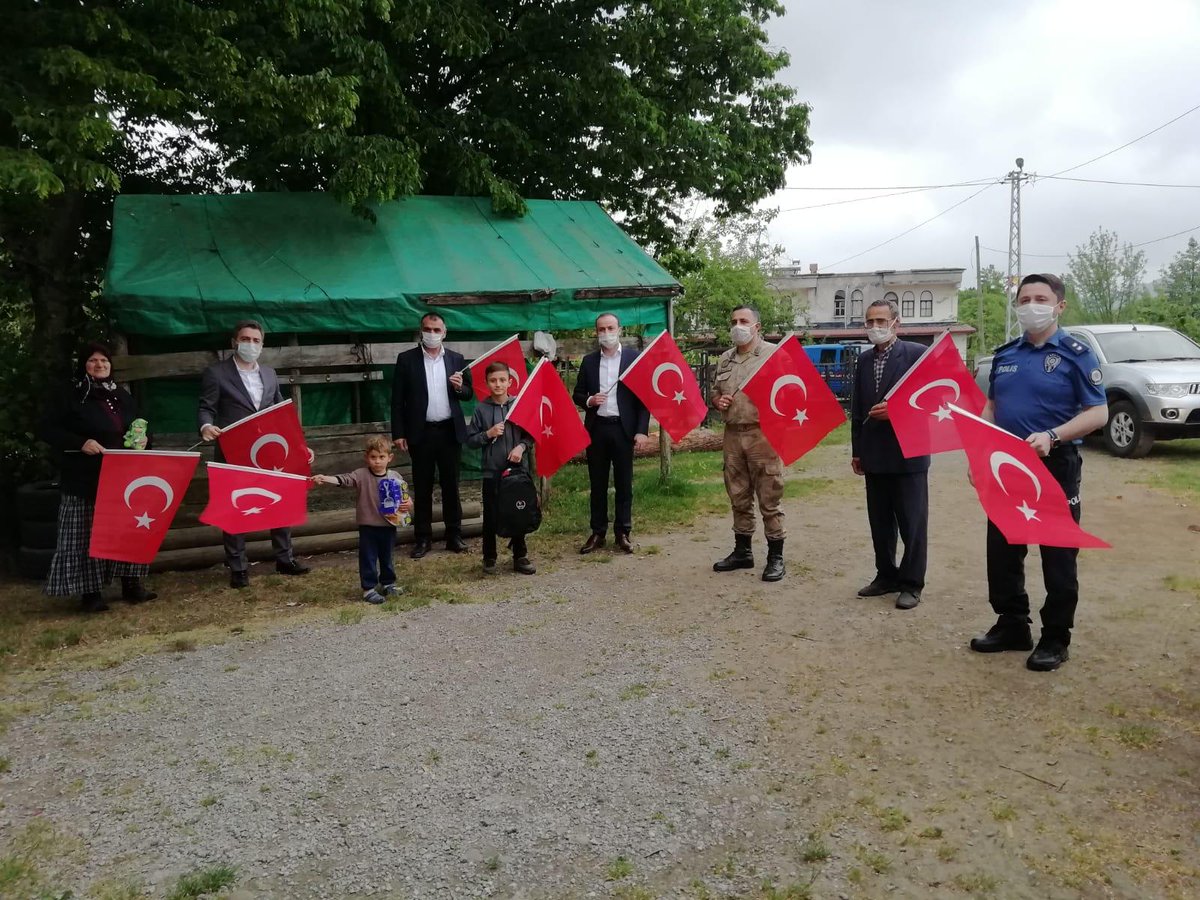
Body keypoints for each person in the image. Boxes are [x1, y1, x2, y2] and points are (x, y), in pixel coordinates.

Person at [971, 273, 1108, 671]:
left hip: (1055, 464)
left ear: (1059, 306)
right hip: (1007, 465)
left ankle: (1055, 637)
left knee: (1058, 553)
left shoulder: (1077, 354)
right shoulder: (1005, 355)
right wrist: (979, 455)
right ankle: (1012, 624)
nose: (1031, 305)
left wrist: (1053, 436)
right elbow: (992, 408)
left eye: (1041, 299)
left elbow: (1098, 412)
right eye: (1024, 299)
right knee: (1002, 548)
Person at [40, 342, 158, 612]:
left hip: (123, 476)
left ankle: (131, 584)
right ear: (84, 365)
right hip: (85, 477)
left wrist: (144, 440)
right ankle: (90, 594)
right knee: (87, 535)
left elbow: (141, 424)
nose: (100, 365)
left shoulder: (121, 395)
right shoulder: (71, 395)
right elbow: (47, 429)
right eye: (93, 360)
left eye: (104, 360)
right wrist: (80, 442)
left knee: (126, 529)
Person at [198, 320, 312, 588]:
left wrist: (299, 445)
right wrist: (205, 426)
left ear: (262, 345)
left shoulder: (270, 374)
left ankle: (285, 559)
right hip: (234, 452)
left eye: (256, 340)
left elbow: (282, 414)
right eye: (245, 339)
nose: (251, 344)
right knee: (233, 507)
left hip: (269, 452)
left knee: (280, 501)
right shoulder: (216, 373)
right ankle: (238, 567)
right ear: (234, 342)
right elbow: (206, 407)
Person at [850, 298, 931, 610]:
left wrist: (897, 410)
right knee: (880, 523)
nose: (875, 327)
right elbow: (858, 408)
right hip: (874, 454)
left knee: (912, 523)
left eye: (881, 321)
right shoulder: (864, 360)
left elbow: (931, 401)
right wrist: (858, 451)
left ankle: (912, 583)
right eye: (870, 321)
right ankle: (886, 575)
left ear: (896, 323)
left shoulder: (916, 355)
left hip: (908, 454)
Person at [709, 306, 786, 582]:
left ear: (757, 326)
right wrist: (718, 401)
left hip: (762, 435)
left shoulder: (774, 355)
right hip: (732, 434)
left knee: (769, 497)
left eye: (744, 321)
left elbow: (789, 391)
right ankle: (742, 552)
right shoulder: (725, 359)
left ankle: (775, 556)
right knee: (738, 495)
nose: (737, 326)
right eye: (733, 321)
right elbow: (715, 392)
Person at [390, 313, 472, 559]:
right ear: (421, 331)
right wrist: (399, 432)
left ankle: (454, 535)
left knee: (451, 486)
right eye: (428, 329)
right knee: (423, 487)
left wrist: (459, 387)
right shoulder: (406, 359)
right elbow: (397, 400)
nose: (432, 334)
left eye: (437, 330)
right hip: (421, 432)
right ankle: (423, 538)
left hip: (449, 431)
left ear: (444, 332)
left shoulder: (456, 359)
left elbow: (469, 393)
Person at [571, 313, 651, 554]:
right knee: (597, 484)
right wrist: (589, 400)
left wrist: (641, 431)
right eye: (601, 329)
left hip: (623, 429)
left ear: (620, 329)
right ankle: (598, 532)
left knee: (624, 483)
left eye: (610, 328)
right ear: (596, 332)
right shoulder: (589, 361)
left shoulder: (633, 359)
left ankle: (622, 532)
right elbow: (577, 394)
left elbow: (644, 398)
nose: (606, 333)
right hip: (597, 429)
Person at [310, 436, 414, 604]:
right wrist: (325, 478)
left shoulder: (395, 476)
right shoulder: (361, 475)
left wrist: (408, 504)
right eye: (373, 457)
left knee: (387, 556)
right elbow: (344, 479)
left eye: (381, 457)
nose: (377, 461)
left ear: (390, 458)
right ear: (367, 457)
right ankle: (368, 589)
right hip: (368, 526)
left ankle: (388, 583)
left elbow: (405, 498)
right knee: (368, 557)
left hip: (389, 525)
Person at [465, 361, 536, 575]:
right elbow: (471, 440)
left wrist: (521, 447)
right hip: (492, 471)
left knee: (518, 510)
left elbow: (530, 434)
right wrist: (488, 434)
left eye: (502, 380)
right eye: (493, 380)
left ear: (510, 382)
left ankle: (520, 555)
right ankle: (489, 557)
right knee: (491, 514)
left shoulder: (519, 405)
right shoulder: (481, 409)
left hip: (516, 471)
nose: (498, 384)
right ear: (487, 383)